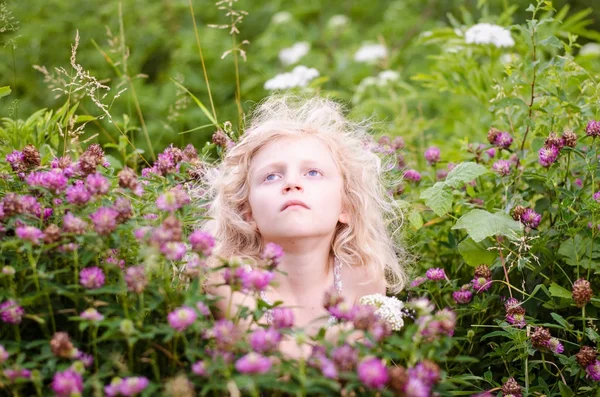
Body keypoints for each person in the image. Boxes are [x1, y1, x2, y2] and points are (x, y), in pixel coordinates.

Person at [200, 95, 408, 356]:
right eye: (271, 176)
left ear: (346, 207)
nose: (292, 183)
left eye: (312, 173)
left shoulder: (363, 274)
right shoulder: (228, 279)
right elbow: (276, 367)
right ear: (247, 212)